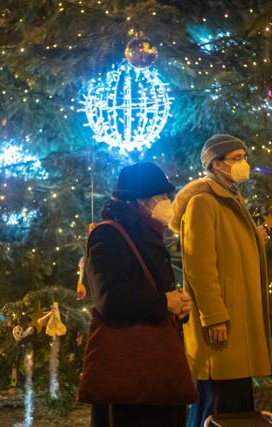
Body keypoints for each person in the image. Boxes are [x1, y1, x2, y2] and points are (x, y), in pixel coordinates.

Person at [170, 134, 271, 426]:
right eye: (236, 158)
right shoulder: (203, 202)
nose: (243, 164)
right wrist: (214, 316)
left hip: (237, 319)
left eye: (243, 157)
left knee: (234, 401)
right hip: (222, 322)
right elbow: (200, 267)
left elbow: (229, 251)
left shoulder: (230, 198)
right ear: (215, 163)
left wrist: (255, 241)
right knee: (218, 404)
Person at [84, 162, 192, 427]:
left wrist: (177, 304)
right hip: (129, 371)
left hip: (156, 366)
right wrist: (165, 302)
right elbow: (110, 300)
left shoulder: (149, 233)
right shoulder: (109, 235)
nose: (167, 202)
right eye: (161, 197)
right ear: (140, 201)